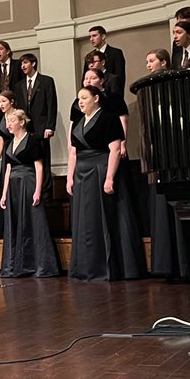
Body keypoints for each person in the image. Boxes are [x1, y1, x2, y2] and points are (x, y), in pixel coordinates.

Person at [66, 86, 144, 281]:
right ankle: (85, 268)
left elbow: (115, 149)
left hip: (99, 170)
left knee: (102, 218)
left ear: (96, 98)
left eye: (84, 98)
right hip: (81, 174)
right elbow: (74, 152)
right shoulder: (78, 121)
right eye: (78, 99)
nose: (80, 102)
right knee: (85, 221)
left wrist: (109, 177)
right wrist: (69, 177)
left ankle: (105, 268)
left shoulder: (109, 118)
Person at [141, 50, 187, 281]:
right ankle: (167, 265)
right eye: (147, 62)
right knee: (161, 211)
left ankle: (184, 266)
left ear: (164, 62)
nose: (148, 65)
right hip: (158, 156)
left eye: (152, 61)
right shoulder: (149, 90)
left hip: (175, 156)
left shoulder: (173, 85)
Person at [0, 109, 60, 277]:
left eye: (12, 121)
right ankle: (16, 266)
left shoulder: (32, 141)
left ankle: (40, 265)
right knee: (15, 223)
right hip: (13, 187)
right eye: (7, 121)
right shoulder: (10, 143)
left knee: (33, 222)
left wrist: (38, 190)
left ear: (22, 122)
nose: (8, 124)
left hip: (28, 182)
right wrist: (4, 194)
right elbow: (8, 169)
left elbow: (39, 167)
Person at [16, 52, 57, 196]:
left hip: (42, 128)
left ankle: (46, 193)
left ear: (33, 63)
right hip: (26, 130)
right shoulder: (19, 85)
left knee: (43, 160)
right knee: (30, 160)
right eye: (21, 64)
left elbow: (52, 105)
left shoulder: (46, 81)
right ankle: (33, 190)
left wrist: (50, 126)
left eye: (25, 63)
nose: (23, 66)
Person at [81, 25, 126, 94]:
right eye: (90, 37)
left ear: (103, 36)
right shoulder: (89, 56)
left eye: (94, 36)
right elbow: (85, 77)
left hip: (111, 94)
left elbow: (120, 78)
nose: (91, 39)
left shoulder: (116, 53)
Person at [0, 90, 18, 178]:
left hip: (18, 152)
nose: (1, 104)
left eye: (4, 101)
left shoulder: (19, 115)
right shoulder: (0, 118)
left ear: (11, 101)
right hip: (6, 153)